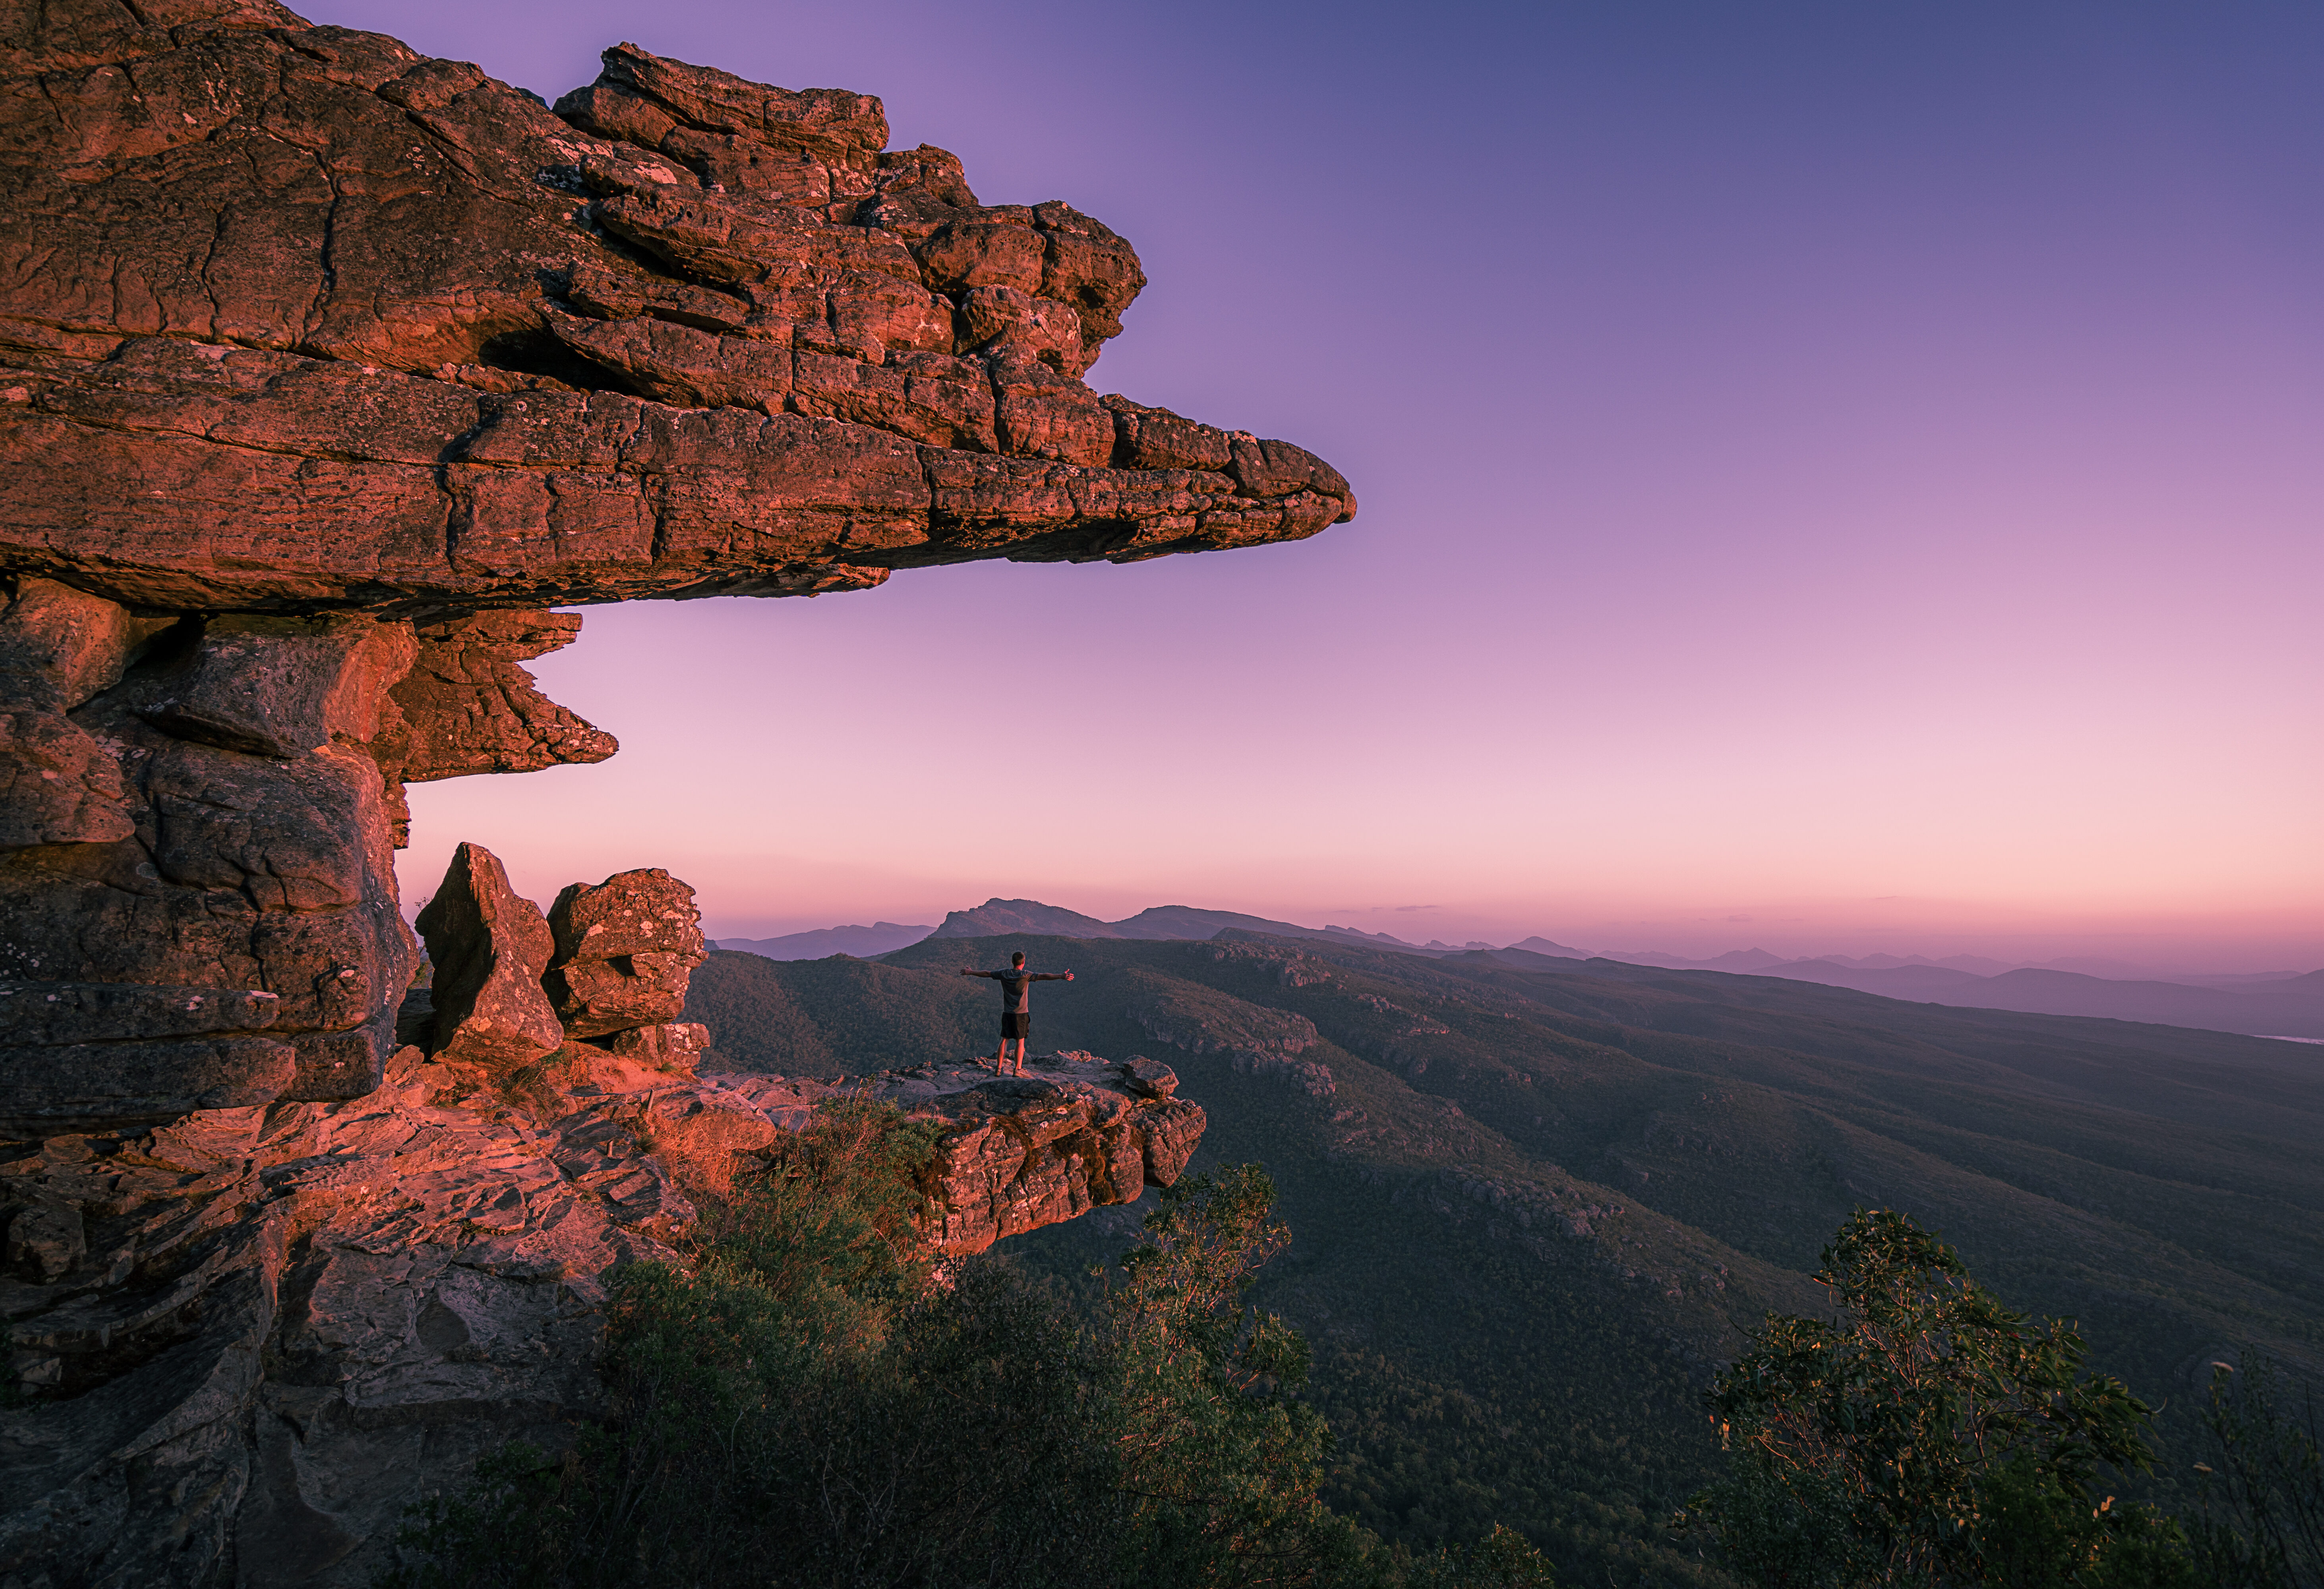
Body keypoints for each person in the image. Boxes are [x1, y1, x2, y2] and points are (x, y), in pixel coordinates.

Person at [959, 951, 1073, 1075]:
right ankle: (1018, 1070)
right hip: (1021, 1014)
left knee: (1004, 1040)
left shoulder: (1004, 973)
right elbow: (1044, 976)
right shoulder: (1026, 975)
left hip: (1007, 1013)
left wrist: (971, 972)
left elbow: (987, 973)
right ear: (1023, 963)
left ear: (1012, 962)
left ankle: (998, 1069)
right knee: (1020, 1041)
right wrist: (1061, 976)